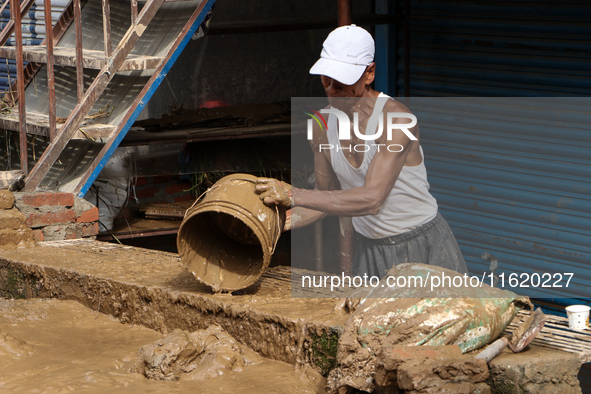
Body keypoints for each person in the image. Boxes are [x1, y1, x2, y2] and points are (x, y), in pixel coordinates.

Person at [256, 25, 467, 278]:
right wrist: (272, 225)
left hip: (420, 244)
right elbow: (324, 200)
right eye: (326, 77)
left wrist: (292, 193)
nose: (332, 87)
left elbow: (372, 199)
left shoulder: (396, 119)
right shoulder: (321, 126)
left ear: (369, 73)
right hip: (370, 249)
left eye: (343, 78)